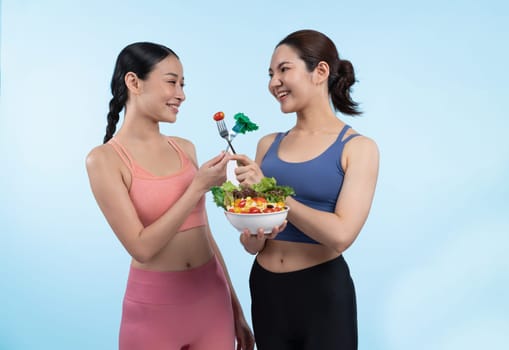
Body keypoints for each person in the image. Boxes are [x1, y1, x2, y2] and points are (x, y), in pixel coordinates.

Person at [85, 42, 255, 350]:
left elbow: (206, 237)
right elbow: (141, 248)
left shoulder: (184, 147)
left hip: (212, 304)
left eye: (183, 84)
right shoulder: (105, 160)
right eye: (171, 82)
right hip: (153, 314)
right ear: (134, 82)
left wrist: (236, 311)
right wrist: (197, 188)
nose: (181, 94)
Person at [230, 29, 380, 349]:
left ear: (320, 72)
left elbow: (341, 235)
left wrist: (273, 193)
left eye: (284, 69)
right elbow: (251, 244)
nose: (274, 82)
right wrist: (252, 233)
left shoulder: (357, 148)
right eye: (271, 74)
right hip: (266, 288)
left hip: (322, 293)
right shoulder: (267, 145)